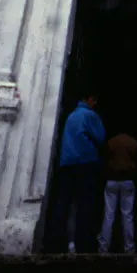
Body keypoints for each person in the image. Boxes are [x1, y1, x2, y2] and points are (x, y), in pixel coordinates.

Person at [48, 92, 106, 253]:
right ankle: (83, 243)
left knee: (64, 203)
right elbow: (101, 138)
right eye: (94, 99)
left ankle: (56, 242)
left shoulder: (71, 116)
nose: (95, 103)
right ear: (88, 99)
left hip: (67, 164)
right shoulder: (90, 115)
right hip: (85, 163)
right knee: (85, 204)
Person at [98, 128, 137, 254]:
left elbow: (104, 160)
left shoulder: (111, 142)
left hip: (112, 180)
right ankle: (129, 247)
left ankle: (103, 248)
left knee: (108, 215)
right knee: (127, 215)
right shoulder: (134, 143)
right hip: (127, 180)